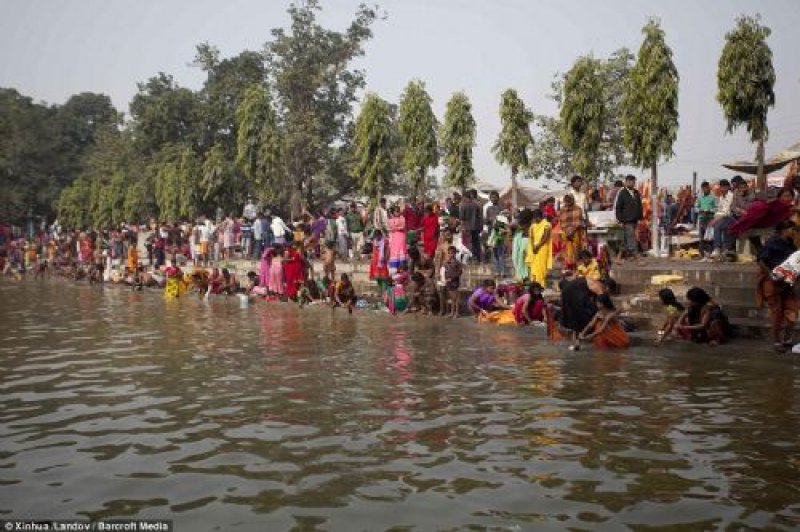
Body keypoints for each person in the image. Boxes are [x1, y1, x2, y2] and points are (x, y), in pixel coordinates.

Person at [757, 219, 798, 350]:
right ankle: (776, 340)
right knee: (777, 311)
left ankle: (787, 338)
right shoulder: (772, 243)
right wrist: (770, 274)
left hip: (788, 281)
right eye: (792, 230)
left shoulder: (792, 245)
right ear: (784, 230)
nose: (794, 232)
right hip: (772, 281)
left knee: (792, 309)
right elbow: (761, 260)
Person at [615, 174, 644, 261]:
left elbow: (639, 205)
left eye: (634, 181)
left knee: (625, 239)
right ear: (626, 182)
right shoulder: (622, 193)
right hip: (626, 220)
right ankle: (637, 257)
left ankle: (618, 257)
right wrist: (620, 219)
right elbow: (618, 207)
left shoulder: (636, 192)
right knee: (631, 238)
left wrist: (640, 217)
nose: (633, 183)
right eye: (631, 181)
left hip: (635, 219)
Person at [558, 194, 585, 270]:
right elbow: (561, 221)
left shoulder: (578, 208)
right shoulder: (562, 209)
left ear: (572, 200)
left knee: (576, 249)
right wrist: (566, 231)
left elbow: (578, 222)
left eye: (568, 200)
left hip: (575, 232)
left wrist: (572, 231)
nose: (567, 202)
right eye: (566, 200)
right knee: (566, 249)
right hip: (565, 232)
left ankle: (576, 266)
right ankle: (568, 266)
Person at [526, 209, 552, 287]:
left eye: (534, 218)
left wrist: (538, 245)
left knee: (541, 268)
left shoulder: (547, 224)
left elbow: (546, 237)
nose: (533, 220)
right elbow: (532, 237)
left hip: (543, 248)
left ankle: (541, 285)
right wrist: (533, 246)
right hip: (534, 249)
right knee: (534, 267)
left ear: (538, 217)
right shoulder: (533, 226)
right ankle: (534, 284)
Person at [695, 181, 717, 260]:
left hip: (710, 219)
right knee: (701, 237)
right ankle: (701, 254)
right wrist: (700, 210)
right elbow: (696, 207)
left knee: (710, 237)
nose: (705, 189)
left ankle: (710, 253)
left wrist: (709, 210)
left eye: (706, 188)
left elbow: (716, 208)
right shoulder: (700, 197)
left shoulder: (713, 197)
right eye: (703, 188)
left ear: (709, 188)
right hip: (702, 219)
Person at [440, 245, 463, 318]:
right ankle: (451, 312)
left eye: (452, 253)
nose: (451, 254)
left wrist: (452, 278)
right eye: (449, 253)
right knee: (451, 299)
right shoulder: (446, 262)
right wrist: (445, 279)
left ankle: (456, 313)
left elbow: (460, 272)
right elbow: (444, 272)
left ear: (455, 253)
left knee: (456, 299)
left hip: (455, 282)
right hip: (448, 282)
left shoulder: (457, 263)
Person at [459, 189, 483, 260]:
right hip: (476, 227)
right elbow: (479, 217)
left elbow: (462, 217)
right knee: (476, 242)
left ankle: (472, 257)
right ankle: (478, 257)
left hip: (467, 227)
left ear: (465, 197)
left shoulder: (463, 206)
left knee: (469, 243)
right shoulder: (476, 205)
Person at [511, 209, 532, 281]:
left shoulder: (518, 236)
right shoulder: (518, 236)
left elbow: (515, 257)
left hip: (522, 272)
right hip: (530, 272)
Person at [388, 205, 407, 272]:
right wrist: (396, 227)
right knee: (394, 251)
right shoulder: (391, 219)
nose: (397, 213)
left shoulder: (402, 218)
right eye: (396, 212)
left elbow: (402, 227)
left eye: (398, 211)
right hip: (394, 238)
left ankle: (402, 268)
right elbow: (390, 227)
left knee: (401, 251)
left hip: (401, 237)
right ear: (393, 212)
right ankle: (394, 269)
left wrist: (395, 227)